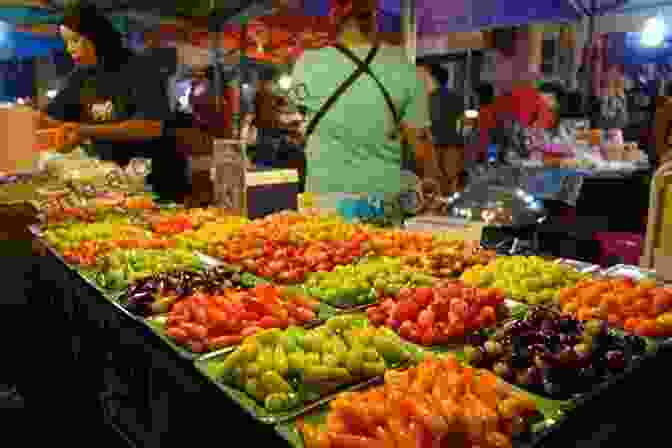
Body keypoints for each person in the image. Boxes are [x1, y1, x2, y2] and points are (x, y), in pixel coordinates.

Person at [35, 1, 188, 201]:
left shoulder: (139, 68)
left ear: (95, 36)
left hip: (156, 181)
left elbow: (151, 126)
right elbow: (48, 119)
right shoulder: (80, 78)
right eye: (66, 42)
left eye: (75, 40)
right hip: (114, 185)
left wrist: (83, 131)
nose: (69, 49)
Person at [290, 0, 431, 202]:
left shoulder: (306, 63)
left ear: (334, 15)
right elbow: (420, 144)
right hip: (382, 203)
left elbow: (301, 117)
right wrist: (434, 179)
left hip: (322, 202)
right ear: (375, 13)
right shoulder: (405, 68)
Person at [416, 63, 464, 193]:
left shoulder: (427, 99)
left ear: (432, 78)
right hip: (454, 144)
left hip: (434, 146)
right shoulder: (456, 97)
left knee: (434, 184)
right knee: (451, 182)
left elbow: (428, 124)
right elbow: (462, 123)